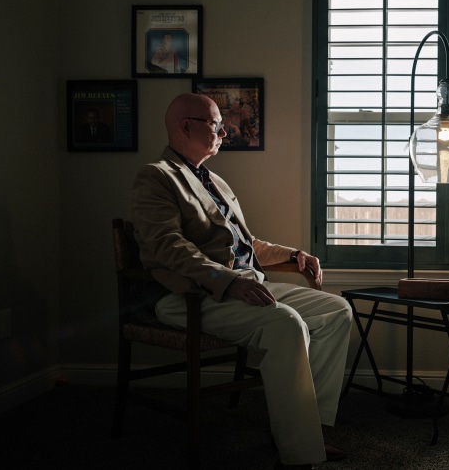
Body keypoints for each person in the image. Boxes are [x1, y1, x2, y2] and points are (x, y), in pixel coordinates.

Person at [130, 93, 352, 469]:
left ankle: (309, 424)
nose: (224, 132)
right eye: (216, 124)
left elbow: (248, 245)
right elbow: (169, 248)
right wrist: (228, 282)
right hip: (191, 295)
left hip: (245, 285)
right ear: (186, 126)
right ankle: (299, 451)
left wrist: (293, 256)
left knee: (336, 311)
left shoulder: (214, 180)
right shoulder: (157, 176)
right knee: (285, 323)